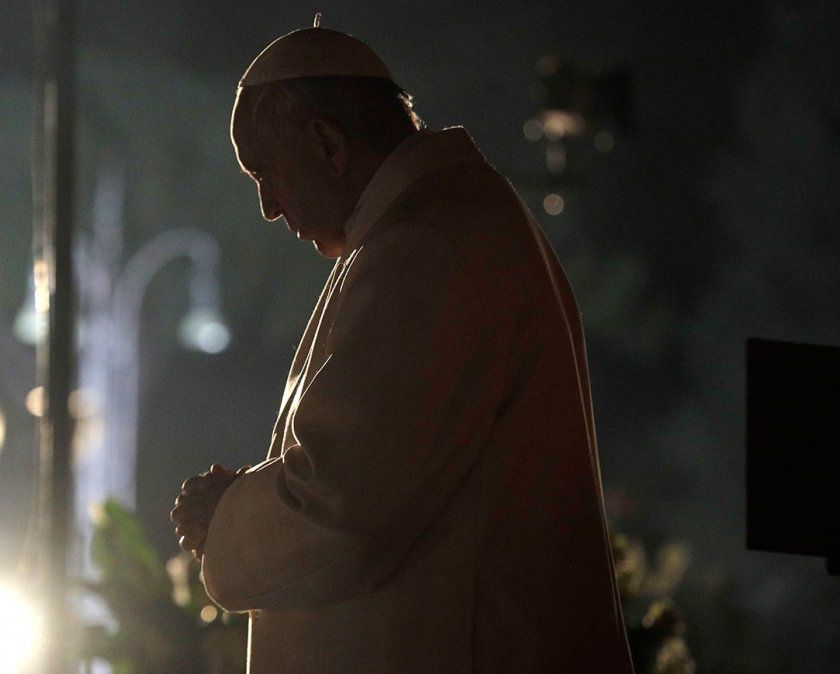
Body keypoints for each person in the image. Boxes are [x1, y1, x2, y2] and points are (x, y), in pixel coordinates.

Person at [171, 20, 633, 673]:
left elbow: (344, 509)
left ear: (327, 144)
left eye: (265, 172)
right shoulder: (435, 224)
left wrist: (226, 516)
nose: (269, 206)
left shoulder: (427, 244)